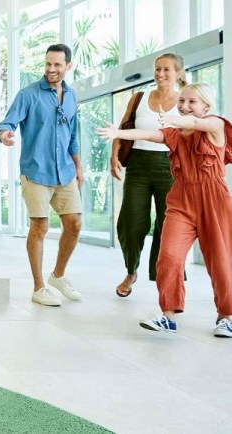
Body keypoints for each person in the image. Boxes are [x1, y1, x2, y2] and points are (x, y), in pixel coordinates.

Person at [97, 83, 232, 338]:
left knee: (221, 262)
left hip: (214, 200)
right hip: (181, 200)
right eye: (182, 100)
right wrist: (118, 133)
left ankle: (226, 316)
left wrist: (176, 118)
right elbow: (148, 135)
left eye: (192, 102)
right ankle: (168, 316)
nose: (184, 106)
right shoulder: (174, 133)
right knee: (168, 255)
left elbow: (204, 125)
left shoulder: (215, 125)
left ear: (206, 106)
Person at [0, 43, 84, 307]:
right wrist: (5, 135)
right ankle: (38, 287)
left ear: (68, 66)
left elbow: (73, 136)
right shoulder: (29, 94)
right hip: (36, 171)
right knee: (40, 226)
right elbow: (7, 122)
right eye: (48, 64)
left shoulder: (71, 97)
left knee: (75, 224)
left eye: (57, 64)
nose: (51, 69)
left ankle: (58, 275)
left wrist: (78, 167)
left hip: (65, 172)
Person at [111, 53, 187, 297]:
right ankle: (131, 270)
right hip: (138, 167)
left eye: (166, 70)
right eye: (157, 69)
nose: (160, 74)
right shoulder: (139, 98)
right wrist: (114, 157)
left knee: (168, 226)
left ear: (178, 73)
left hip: (171, 168)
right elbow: (123, 128)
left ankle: (163, 276)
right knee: (130, 223)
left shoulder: (183, 102)